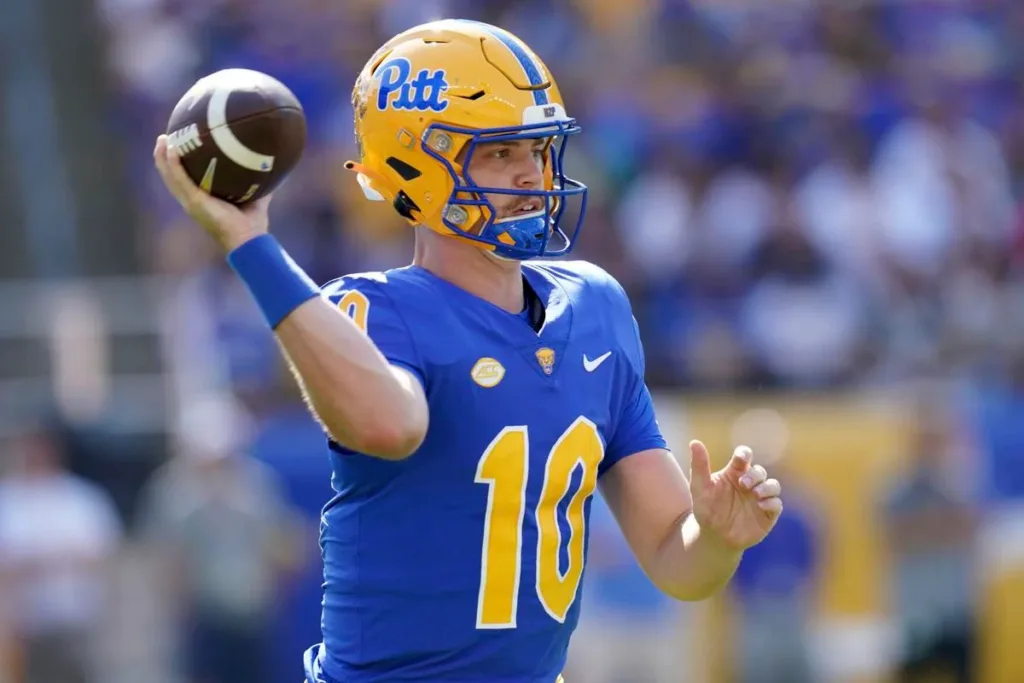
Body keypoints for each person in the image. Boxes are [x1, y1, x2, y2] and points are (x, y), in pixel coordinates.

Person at [153, 19, 785, 683]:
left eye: (538, 148)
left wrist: (717, 537)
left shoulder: (595, 306)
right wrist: (251, 245)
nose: (532, 173)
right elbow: (389, 424)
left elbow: (676, 561)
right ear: (416, 167)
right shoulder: (375, 307)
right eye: (499, 152)